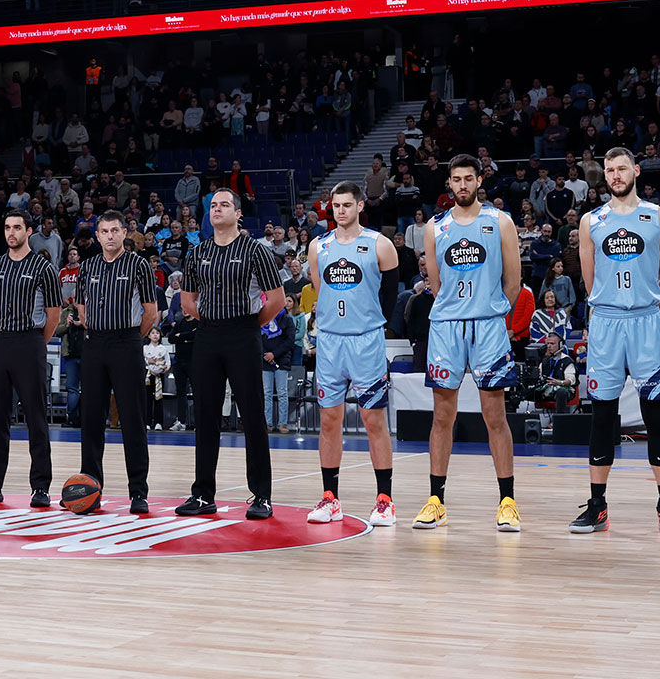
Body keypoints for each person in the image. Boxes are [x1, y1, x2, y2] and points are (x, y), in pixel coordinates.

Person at [570, 148, 660, 537]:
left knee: (657, 414)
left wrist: (649, 311)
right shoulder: (591, 220)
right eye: (609, 170)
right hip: (605, 322)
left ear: (636, 170)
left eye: (622, 168)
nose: (616, 175)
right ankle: (597, 505)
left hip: (646, 321)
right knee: (602, 415)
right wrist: (609, 309)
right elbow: (589, 280)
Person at [413, 154, 522, 532]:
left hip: (488, 326)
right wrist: (455, 310)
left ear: (479, 181)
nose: (462, 185)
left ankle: (507, 501)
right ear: (449, 184)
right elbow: (436, 284)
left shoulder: (499, 221)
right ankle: (436, 501)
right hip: (446, 327)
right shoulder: (435, 227)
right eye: (456, 179)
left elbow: (513, 283)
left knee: (495, 416)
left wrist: (490, 312)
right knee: (442, 416)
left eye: (468, 179)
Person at [175, 188, 286, 519]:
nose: (217, 209)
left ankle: (261, 496)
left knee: (253, 416)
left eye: (224, 204)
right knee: (206, 416)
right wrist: (213, 323)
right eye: (212, 205)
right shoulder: (197, 253)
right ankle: (202, 494)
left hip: (244, 334)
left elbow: (277, 299)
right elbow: (187, 302)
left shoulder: (255, 251)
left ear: (239, 213)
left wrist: (250, 325)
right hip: (208, 335)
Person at [306, 182, 401, 528]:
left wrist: (370, 323)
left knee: (373, 420)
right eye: (336, 205)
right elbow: (320, 288)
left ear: (361, 206)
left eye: (347, 205)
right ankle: (330, 499)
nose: (340, 210)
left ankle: (385, 500)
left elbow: (390, 296)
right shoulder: (318, 246)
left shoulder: (380, 245)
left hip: (366, 341)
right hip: (330, 341)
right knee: (328, 421)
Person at [71, 210, 160, 511]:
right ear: (97, 236)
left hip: (126, 343)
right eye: (104, 231)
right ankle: (91, 488)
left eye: (115, 230)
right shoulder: (88, 267)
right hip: (95, 344)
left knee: (133, 419)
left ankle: (138, 491)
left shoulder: (138, 265)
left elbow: (150, 311)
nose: (109, 236)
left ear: (125, 233)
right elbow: (80, 306)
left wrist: (133, 337)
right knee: (91, 420)